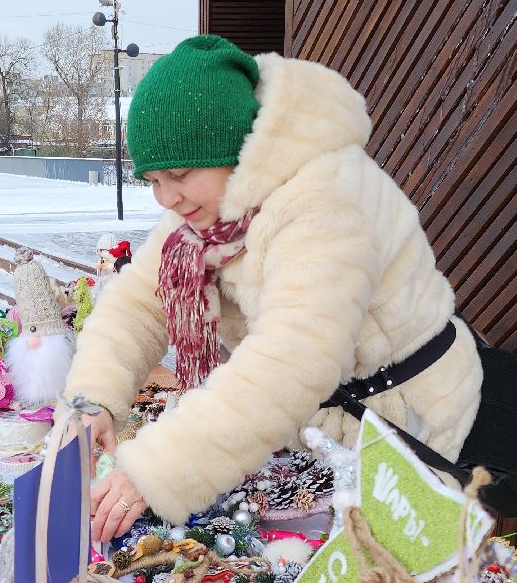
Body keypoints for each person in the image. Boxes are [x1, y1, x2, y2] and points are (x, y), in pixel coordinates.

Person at [63, 35, 483, 542]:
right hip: (325, 426)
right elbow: (136, 305)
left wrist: (161, 468)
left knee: (386, 582)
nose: (166, 199)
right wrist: (94, 401)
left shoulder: (324, 197)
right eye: (152, 180)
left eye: (179, 174)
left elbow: (294, 356)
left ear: (237, 153)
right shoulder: (204, 216)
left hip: (407, 425)